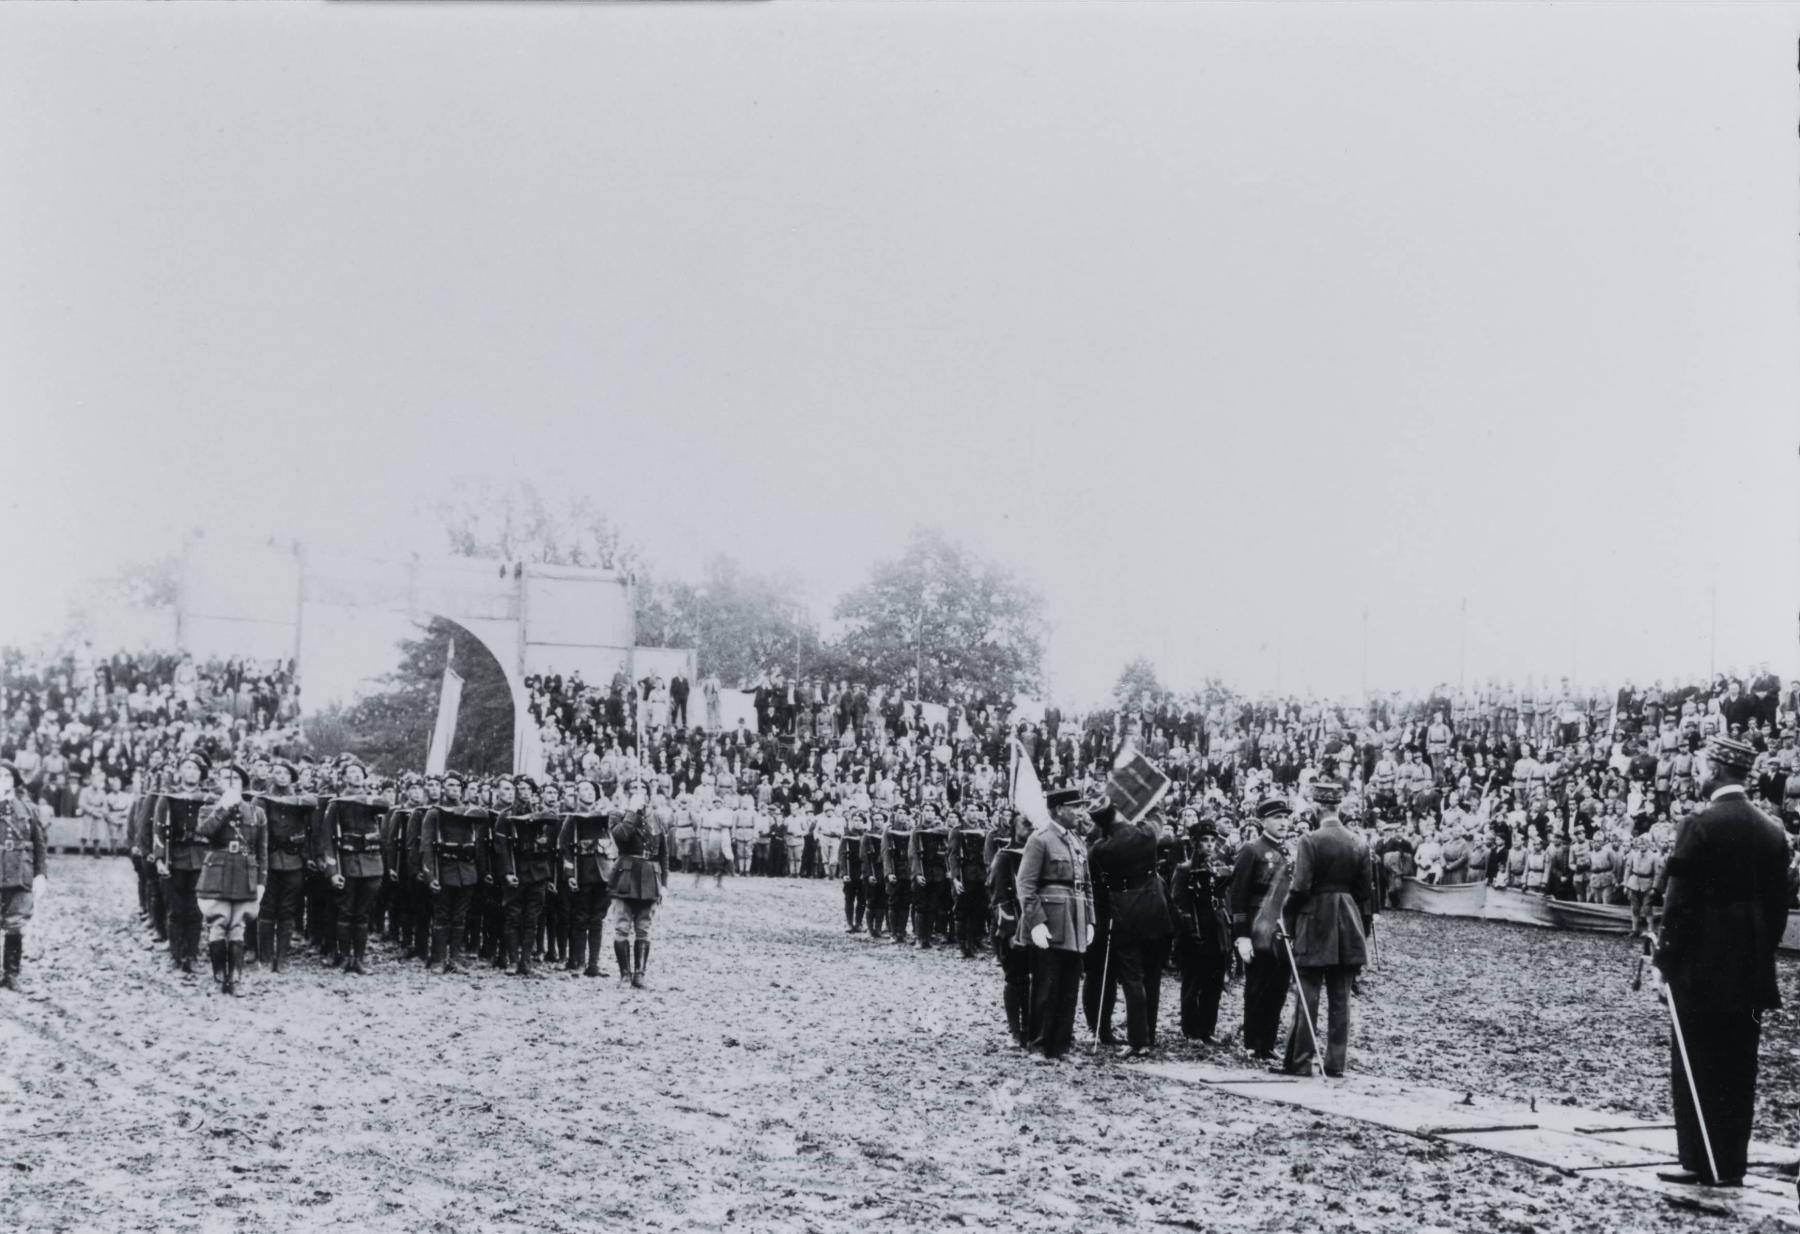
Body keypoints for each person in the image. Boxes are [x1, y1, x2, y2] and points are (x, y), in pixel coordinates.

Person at [1650, 735, 1790, 1188]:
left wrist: (1663, 962)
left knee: (1695, 1062)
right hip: (1750, 972)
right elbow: (1777, 913)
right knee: (1738, 1069)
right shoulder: (1773, 831)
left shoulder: (1699, 824)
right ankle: (1730, 1164)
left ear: (1714, 769)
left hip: (1699, 971)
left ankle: (1696, 1161)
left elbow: (1680, 903)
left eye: (1701, 764)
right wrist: (1755, 953)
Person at [1276, 780, 1371, 1077]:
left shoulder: (1310, 840)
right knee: (1341, 998)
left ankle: (1301, 1062)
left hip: (1315, 920)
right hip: (1348, 920)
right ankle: (1335, 1064)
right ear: (1338, 807)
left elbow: (1301, 887)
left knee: (1308, 993)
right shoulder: (1359, 842)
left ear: (1316, 807)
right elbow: (1364, 892)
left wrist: (1286, 915)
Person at [1086, 801, 1175, 1056]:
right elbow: (1158, 815)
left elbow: (1097, 887)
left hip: (1123, 915)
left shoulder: (1099, 849)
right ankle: (1149, 1035)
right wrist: (1149, 802)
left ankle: (1138, 1041)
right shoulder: (1145, 833)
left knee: (1132, 979)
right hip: (1156, 911)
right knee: (1152, 978)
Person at [1013, 788, 1095, 1059]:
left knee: (1069, 987)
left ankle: (1061, 1045)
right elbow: (1025, 884)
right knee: (1046, 986)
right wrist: (1035, 922)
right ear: (1059, 809)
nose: (1080, 812)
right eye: (1075, 807)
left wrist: (1090, 920)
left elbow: (1087, 885)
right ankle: (1037, 1043)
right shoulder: (1041, 839)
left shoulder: (1077, 841)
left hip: (1076, 920)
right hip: (1051, 921)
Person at [1229, 796, 1294, 1060]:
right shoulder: (1251, 850)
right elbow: (1238, 895)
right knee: (1257, 986)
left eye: (1286, 817)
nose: (1283, 822)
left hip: (1282, 928)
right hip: (1257, 928)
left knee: (1278, 986)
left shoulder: (1288, 851)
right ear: (1264, 820)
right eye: (1278, 817)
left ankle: (1268, 1043)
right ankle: (1252, 1043)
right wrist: (1241, 936)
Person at [194, 763, 267, 997]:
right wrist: (223, 807)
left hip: (245, 869)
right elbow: (204, 831)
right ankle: (218, 978)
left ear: (243, 783)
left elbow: (260, 850)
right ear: (219, 782)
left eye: (236, 778)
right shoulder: (208, 807)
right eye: (226, 777)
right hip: (217, 869)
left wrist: (261, 881)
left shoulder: (256, 813)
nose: (231, 781)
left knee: (238, 925)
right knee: (218, 922)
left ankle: (234, 978)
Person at [319, 759, 391, 976]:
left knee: (362, 914)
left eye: (359, 772)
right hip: (347, 864)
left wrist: (362, 798)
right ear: (344, 778)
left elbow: (385, 805)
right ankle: (343, 957)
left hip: (371, 864)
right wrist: (332, 872)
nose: (356, 776)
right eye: (351, 772)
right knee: (345, 912)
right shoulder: (337, 803)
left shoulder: (373, 801)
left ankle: (358, 959)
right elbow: (326, 840)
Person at [1170, 811, 1232, 1044]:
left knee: (1213, 982)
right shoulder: (1184, 870)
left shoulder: (1218, 868)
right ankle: (1191, 1030)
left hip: (1215, 929)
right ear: (1194, 843)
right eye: (1204, 840)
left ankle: (1207, 1029)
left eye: (1212, 841)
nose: (1209, 845)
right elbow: (1177, 904)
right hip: (1194, 931)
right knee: (1192, 982)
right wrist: (1188, 931)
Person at [153, 752, 214, 975]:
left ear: (201, 774)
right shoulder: (168, 798)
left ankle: (193, 954)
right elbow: (158, 829)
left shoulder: (207, 799)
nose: (191, 773)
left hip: (199, 858)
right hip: (175, 857)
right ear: (180, 772)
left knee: (196, 910)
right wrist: (159, 858)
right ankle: (177, 955)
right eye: (187, 768)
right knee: (175, 909)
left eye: (195, 769)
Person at [255, 760, 318, 972]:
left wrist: (306, 855)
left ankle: (281, 958)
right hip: (269, 861)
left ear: (292, 778)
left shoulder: (301, 800)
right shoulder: (263, 799)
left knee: (287, 910)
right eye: (277, 772)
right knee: (266, 909)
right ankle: (265, 956)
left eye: (286, 773)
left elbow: (311, 823)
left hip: (293, 861)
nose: (281, 776)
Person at [559, 777, 616, 978]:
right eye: (584, 789)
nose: (589, 792)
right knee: (580, 917)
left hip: (603, 873)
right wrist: (569, 874)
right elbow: (564, 847)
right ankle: (578, 961)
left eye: (591, 789)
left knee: (597, 918)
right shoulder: (572, 818)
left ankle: (594, 964)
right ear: (578, 794)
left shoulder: (606, 815)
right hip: (583, 872)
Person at [608, 804, 669, 989]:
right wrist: (632, 811)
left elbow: (663, 854)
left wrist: (664, 885)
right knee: (622, 927)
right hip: (625, 876)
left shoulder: (656, 817)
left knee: (644, 928)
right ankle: (625, 975)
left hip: (650, 876)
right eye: (634, 788)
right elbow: (621, 837)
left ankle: (639, 975)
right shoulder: (617, 815)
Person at [0, 763, 49, 991]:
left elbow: (39, 844)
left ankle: (11, 974)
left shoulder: (28, 809)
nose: (2, 779)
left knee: (15, 924)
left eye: (7, 776)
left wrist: (40, 874)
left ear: (15, 780)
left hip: (21, 872)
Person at [985, 809, 1032, 1046]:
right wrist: (1012, 932)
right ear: (1013, 827)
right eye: (1025, 823)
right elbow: (999, 898)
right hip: (1013, 927)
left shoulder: (1037, 853)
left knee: (1036, 980)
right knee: (1015, 979)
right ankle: (1015, 1030)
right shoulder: (1004, 857)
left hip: (1037, 926)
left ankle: (1031, 1027)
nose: (1030, 827)